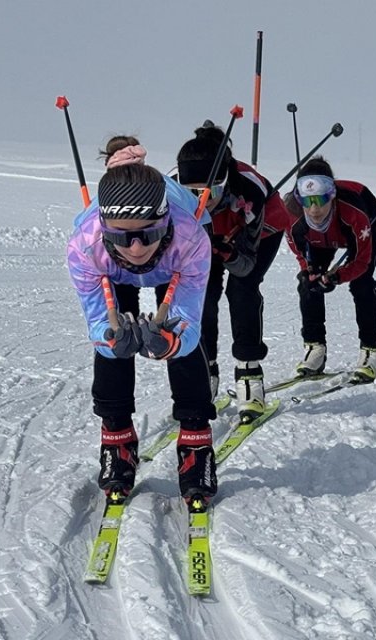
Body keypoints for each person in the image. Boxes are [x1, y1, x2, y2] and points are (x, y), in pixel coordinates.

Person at [66, 136, 217, 504]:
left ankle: (196, 441)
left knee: (178, 341)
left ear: (164, 221)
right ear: (104, 228)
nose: (136, 248)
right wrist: (110, 339)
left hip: (174, 257)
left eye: (147, 233)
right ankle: (116, 437)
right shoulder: (85, 246)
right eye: (123, 236)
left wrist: (173, 342)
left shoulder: (191, 238)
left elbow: (189, 320)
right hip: (110, 266)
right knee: (117, 339)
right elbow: (97, 323)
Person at [175, 123, 292, 419]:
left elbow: (245, 265)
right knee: (202, 294)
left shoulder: (250, 190)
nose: (203, 200)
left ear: (225, 181)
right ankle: (206, 370)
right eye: (193, 193)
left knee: (242, 290)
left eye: (211, 191)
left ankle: (249, 373)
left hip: (259, 232)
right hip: (206, 235)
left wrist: (229, 251)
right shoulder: (172, 192)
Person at [284, 157, 376, 384]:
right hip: (319, 240)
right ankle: (314, 348)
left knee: (362, 283)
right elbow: (301, 255)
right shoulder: (291, 215)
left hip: (359, 226)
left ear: (332, 195)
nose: (314, 209)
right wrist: (310, 271)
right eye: (307, 201)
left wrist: (337, 276)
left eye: (321, 200)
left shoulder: (354, 213)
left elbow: (361, 262)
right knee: (308, 284)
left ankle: (371, 348)